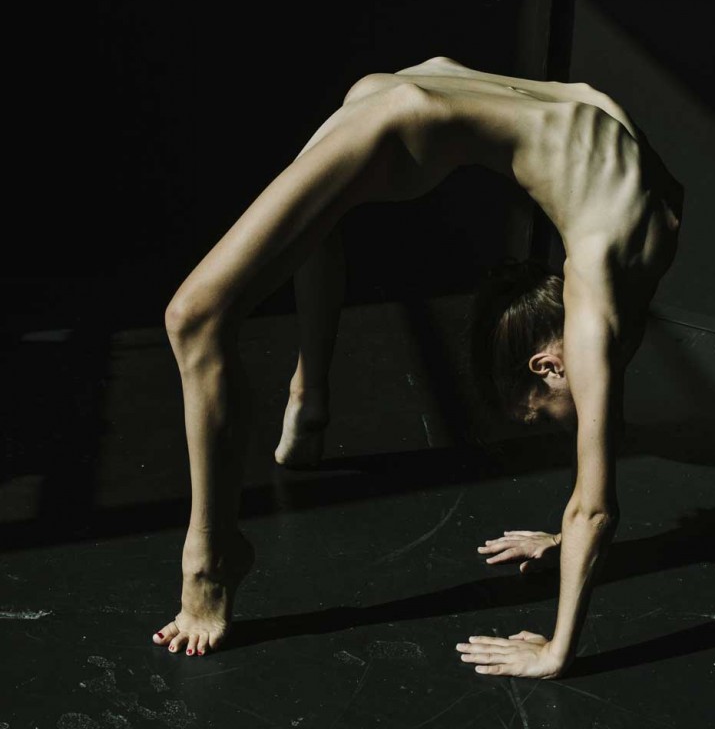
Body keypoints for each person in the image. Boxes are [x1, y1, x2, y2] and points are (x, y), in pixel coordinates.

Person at [150, 54, 683, 676]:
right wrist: (555, 651)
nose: (564, 422)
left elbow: (584, 94)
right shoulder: (597, 296)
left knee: (315, 218)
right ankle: (211, 559)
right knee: (193, 318)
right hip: (395, 127)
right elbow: (595, 506)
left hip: (416, 83)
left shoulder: (651, 205)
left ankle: (310, 401)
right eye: (541, 416)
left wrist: (563, 545)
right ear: (549, 366)